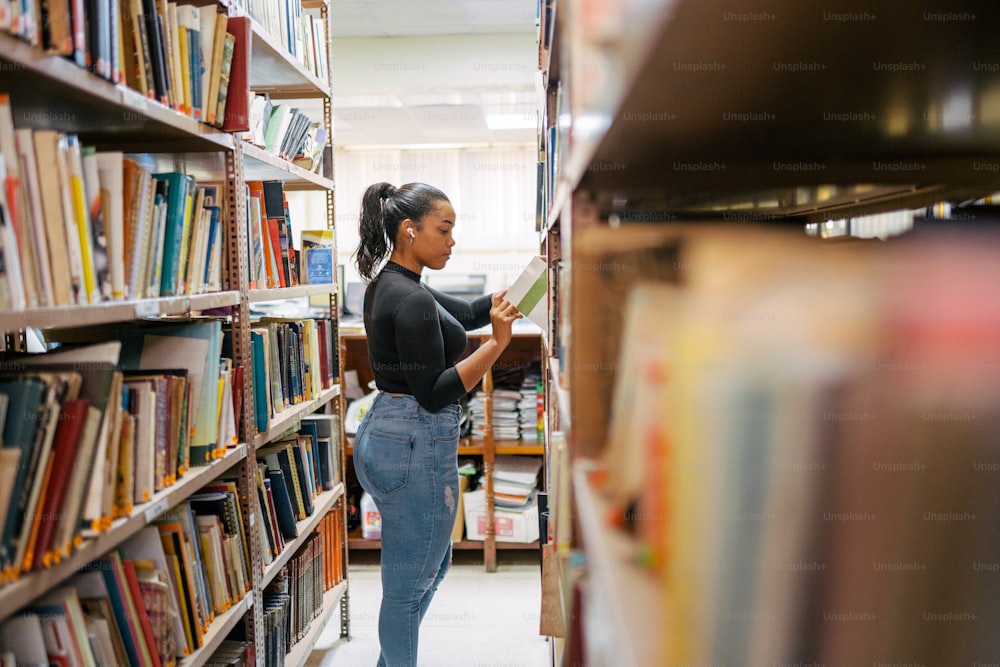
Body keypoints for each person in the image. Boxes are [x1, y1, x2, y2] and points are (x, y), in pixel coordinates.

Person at [351, 181, 522, 667]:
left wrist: (519, 292)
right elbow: (436, 391)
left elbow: (466, 313)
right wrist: (497, 345)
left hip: (386, 430)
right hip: (413, 437)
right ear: (410, 230)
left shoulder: (394, 281)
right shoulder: (411, 299)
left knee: (431, 563)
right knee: (408, 585)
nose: (452, 241)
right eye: (444, 230)